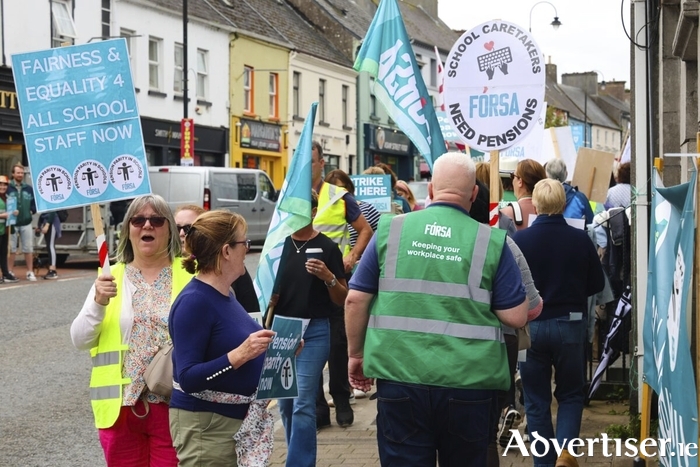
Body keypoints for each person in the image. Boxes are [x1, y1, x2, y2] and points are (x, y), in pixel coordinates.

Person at [346, 152, 528, 466]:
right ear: (473, 193)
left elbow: (355, 299)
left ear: (430, 190)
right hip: (469, 383)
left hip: (400, 377)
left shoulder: (391, 231)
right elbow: (516, 316)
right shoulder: (491, 241)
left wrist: (356, 354)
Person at [70, 194, 193, 467]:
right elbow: (79, 339)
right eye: (138, 220)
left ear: (170, 230)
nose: (147, 225)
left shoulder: (191, 277)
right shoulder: (109, 278)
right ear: (128, 229)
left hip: (175, 406)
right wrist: (98, 302)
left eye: (157, 220)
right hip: (120, 409)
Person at [169, 210, 276, 466]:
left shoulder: (226, 294)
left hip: (232, 422)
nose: (248, 249)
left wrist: (277, 349)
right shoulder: (194, 301)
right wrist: (239, 355)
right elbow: (188, 378)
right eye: (244, 243)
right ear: (226, 251)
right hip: (208, 428)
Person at [513, 179, 605, 467]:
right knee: (570, 393)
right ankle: (566, 452)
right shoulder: (580, 240)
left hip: (531, 328)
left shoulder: (520, 240)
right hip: (571, 323)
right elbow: (597, 283)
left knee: (536, 399)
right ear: (564, 205)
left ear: (536, 205)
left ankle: (543, 462)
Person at [273, 190, 348, 467]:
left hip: (315, 329)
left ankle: (299, 463)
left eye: (304, 207)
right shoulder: (278, 245)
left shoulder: (328, 247)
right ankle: (298, 456)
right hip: (282, 330)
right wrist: (270, 299)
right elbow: (266, 289)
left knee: (303, 400)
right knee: (284, 403)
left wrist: (328, 277)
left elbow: (342, 297)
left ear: (315, 211)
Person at [312, 141, 372, 428]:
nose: (306, 167)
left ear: (322, 163)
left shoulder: (339, 197)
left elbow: (365, 230)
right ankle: (318, 407)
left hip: (335, 281)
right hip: (303, 282)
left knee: (337, 344)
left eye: (311, 162)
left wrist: (352, 256)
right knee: (307, 346)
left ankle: (342, 399)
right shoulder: (289, 196)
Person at [173, 205, 259, 314]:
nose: (182, 234)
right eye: (177, 228)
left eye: (188, 229)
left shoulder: (233, 268)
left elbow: (253, 314)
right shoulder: (190, 298)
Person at [7, 163, 37, 281]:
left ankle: (30, 271)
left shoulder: (28, 188)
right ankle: (9, 271)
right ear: (13, 174)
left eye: (22, 172)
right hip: (12, 223)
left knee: (28, 248)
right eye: (18, 172)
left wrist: (32, 211)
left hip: (26, 222)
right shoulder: (8, 188)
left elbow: (34, 203)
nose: (20, 175)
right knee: (11, 248)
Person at [500, 159, 546, 231]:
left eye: (513, 176)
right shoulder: (553, 211)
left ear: (520, 182)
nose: (512, 180)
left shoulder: (504, 214)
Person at [545, 158, 594, 225]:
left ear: (547, 176)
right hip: (576, 234)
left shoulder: (542, 197)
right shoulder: (580, 198)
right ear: (566, 174)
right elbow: (591, 223)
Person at [0, 175, 19, 283]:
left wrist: (14, 213)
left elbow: (10, 212)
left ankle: (6, 274)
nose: (2, 187)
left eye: (4, 185)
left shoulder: (7, 198)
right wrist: (3, 215)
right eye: (0, 185)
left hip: (4, 230)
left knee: (3, 253)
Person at [36, 210, 62, 279]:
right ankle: (51, 269)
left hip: (52, 223)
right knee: (49, 246)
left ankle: (52, 270)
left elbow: (53, 212)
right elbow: (42, 214)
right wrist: (39, 225)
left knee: (51, 246)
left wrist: (47, 224)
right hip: (46, 221)